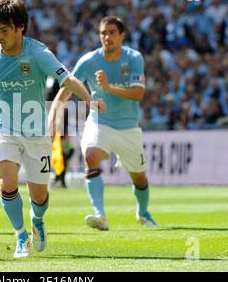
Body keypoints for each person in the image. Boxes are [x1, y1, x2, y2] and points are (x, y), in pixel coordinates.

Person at [0, 0, 105, 258]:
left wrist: (90, 100)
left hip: (35, 132)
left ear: (20, 27)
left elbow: (68, 79)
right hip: (2, 128)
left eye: (5, 30)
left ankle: (37, 221)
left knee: (39, 196)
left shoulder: (38, 53)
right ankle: (21, 236)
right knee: (7, 181)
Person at [50, 16, 157, 231]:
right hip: (100, 122)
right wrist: (54, 114)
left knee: (139, 178)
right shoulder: (88, 61)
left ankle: (143, 212)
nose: (107, 37)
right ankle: (100, 214)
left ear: (122, 35)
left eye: (112, 33)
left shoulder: (134, 58)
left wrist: (107, 88)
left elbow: (138, 94)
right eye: (103, 33)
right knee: (91, 156)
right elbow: (67, 87)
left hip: (128, 126)